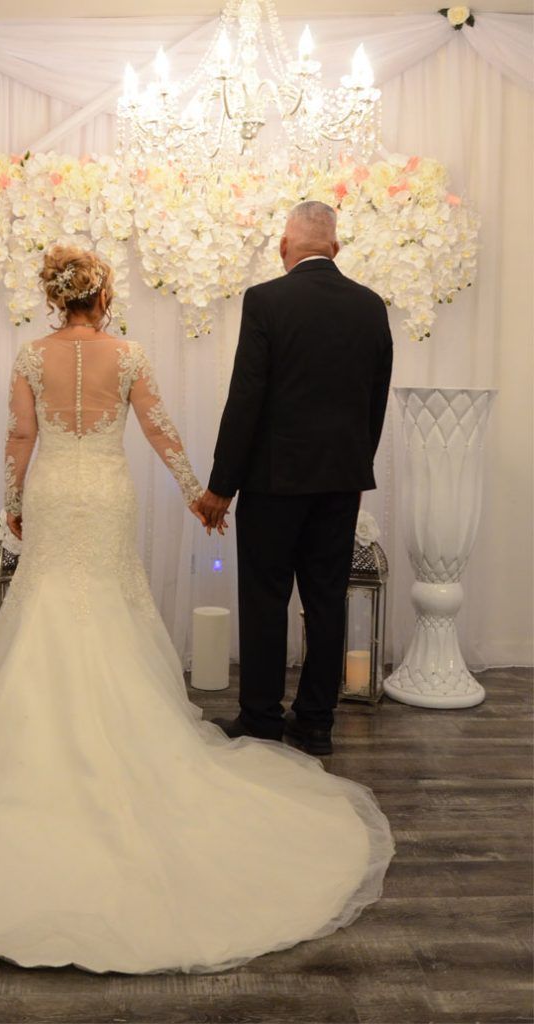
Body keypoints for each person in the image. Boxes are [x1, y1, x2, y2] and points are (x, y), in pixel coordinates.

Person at [0, 244, 394, 974]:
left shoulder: (30, 356)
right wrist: (198, 494)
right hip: (108, 495)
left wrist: (14, 502)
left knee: (50, 605)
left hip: (58, 495)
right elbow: (159, 431)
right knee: (110, 604)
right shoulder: (129, 355)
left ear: (56, 298)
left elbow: (20, 436)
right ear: (104, 295)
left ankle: (34, 752)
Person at [199, 201, 394, 756]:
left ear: (286, 247)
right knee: (327, 599)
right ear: (336, 247)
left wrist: (221, 487)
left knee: (265, 598)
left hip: (273, 482)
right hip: (340, 481)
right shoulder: (370, 307)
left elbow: (246, 399)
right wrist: (355, 464)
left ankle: (261, 718)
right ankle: (315, 724)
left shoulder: (266, 300)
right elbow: (375, 401)